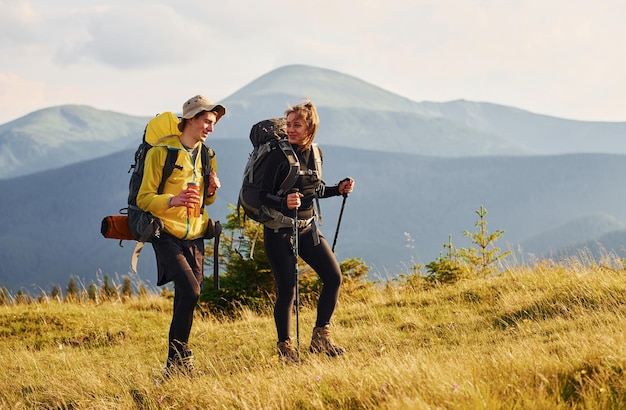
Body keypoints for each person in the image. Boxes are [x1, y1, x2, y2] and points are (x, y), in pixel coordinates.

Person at [136, 95, 226, 376]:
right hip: (166, 232)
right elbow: (144, 198)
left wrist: (211, 191)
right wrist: (172, 201)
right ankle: (180, 360)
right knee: (191, 290)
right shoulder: (161, 153)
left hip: (196, 233)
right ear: (191, 119)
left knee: (187, 298)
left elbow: (205, 203)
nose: (210, 128)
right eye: (207, 121)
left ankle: (175, 366)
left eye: (213, 123)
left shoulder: (208, 156)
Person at [260, 99, 355, 363]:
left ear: (310, 127)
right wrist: (283, 201)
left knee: (333, 277)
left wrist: (338, 189)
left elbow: (314, 189)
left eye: (296, 125)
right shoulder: (277, 155)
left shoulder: (316, 153)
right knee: (288, 290)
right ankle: (285, 349)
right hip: (279, 230)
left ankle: (320, 338)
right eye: (288, 124)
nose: (290, 129)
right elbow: (261, 195)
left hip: (306, 227)